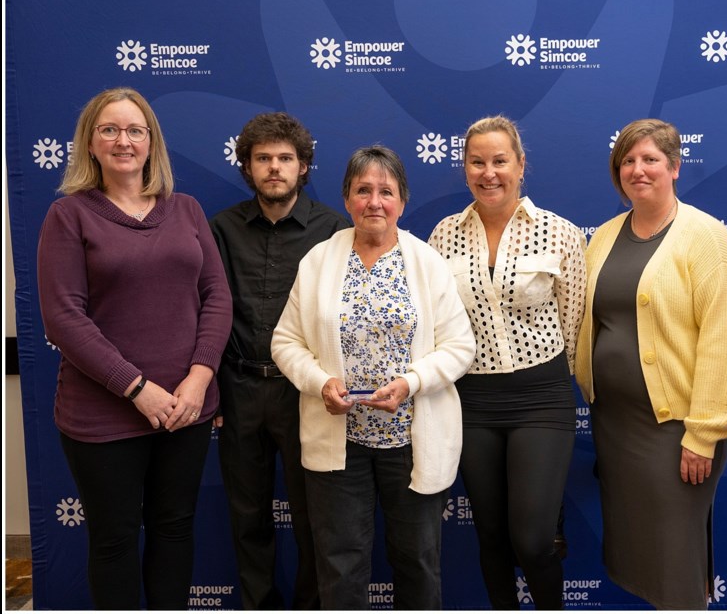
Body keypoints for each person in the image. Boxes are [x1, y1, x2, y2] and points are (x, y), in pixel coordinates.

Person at [36, 87, 232, 609]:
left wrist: (198, 378)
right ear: (91, 143)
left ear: (151, 143)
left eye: (135, 130)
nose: (123, 140)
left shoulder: (186, 210)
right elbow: (63, 318)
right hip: (104, 414)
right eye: (110, 130)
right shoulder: (69, 216)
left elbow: (216, 296)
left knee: (173, 530)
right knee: (115, 539)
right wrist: (137, 388)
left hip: (186, 409)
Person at [271, 145, 475, 609]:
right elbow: (285, 342)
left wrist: (413, 383)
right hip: (339, 442)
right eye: (363, 190)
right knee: (340, 563)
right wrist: (320, 382)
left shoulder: (427, 264)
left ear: (402, 201)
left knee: (418, 560)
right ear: (347, 199)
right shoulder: (318, 261)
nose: (375, 202)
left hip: (411, 440)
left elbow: (461, 346)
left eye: (386, 191)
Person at [573, 118, 727, 609]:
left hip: (676, 431)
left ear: (674, 167)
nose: (638, 169)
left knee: (675, 557)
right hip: (617, 426)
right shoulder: (604, 238)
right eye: (627, 161)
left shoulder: (707, 239)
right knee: (639, 554)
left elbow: (725, 343)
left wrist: (704, 434)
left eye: (650, 159)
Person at [428, 115, 586, 609]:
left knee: (533, 538)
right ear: (464, 168)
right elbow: (437, 325)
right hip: (472, 401)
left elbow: (575, 321)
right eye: (477, 162)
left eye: (500, 160)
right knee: (491, 536)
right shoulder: (443, 235)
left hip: (542, 398)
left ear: (520, 165)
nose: (488, 172)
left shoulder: (558, 233)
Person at [209, 112, 350, 609]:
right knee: (248, 517)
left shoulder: (336, 230)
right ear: (247, 166)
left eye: (285, 159)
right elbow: (207, 312)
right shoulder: (221, 228)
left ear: (303, 166)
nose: (274, 168)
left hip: (306, 394)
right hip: (239, 389)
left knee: (315, 517)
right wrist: (213, 393)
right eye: (263, 159)